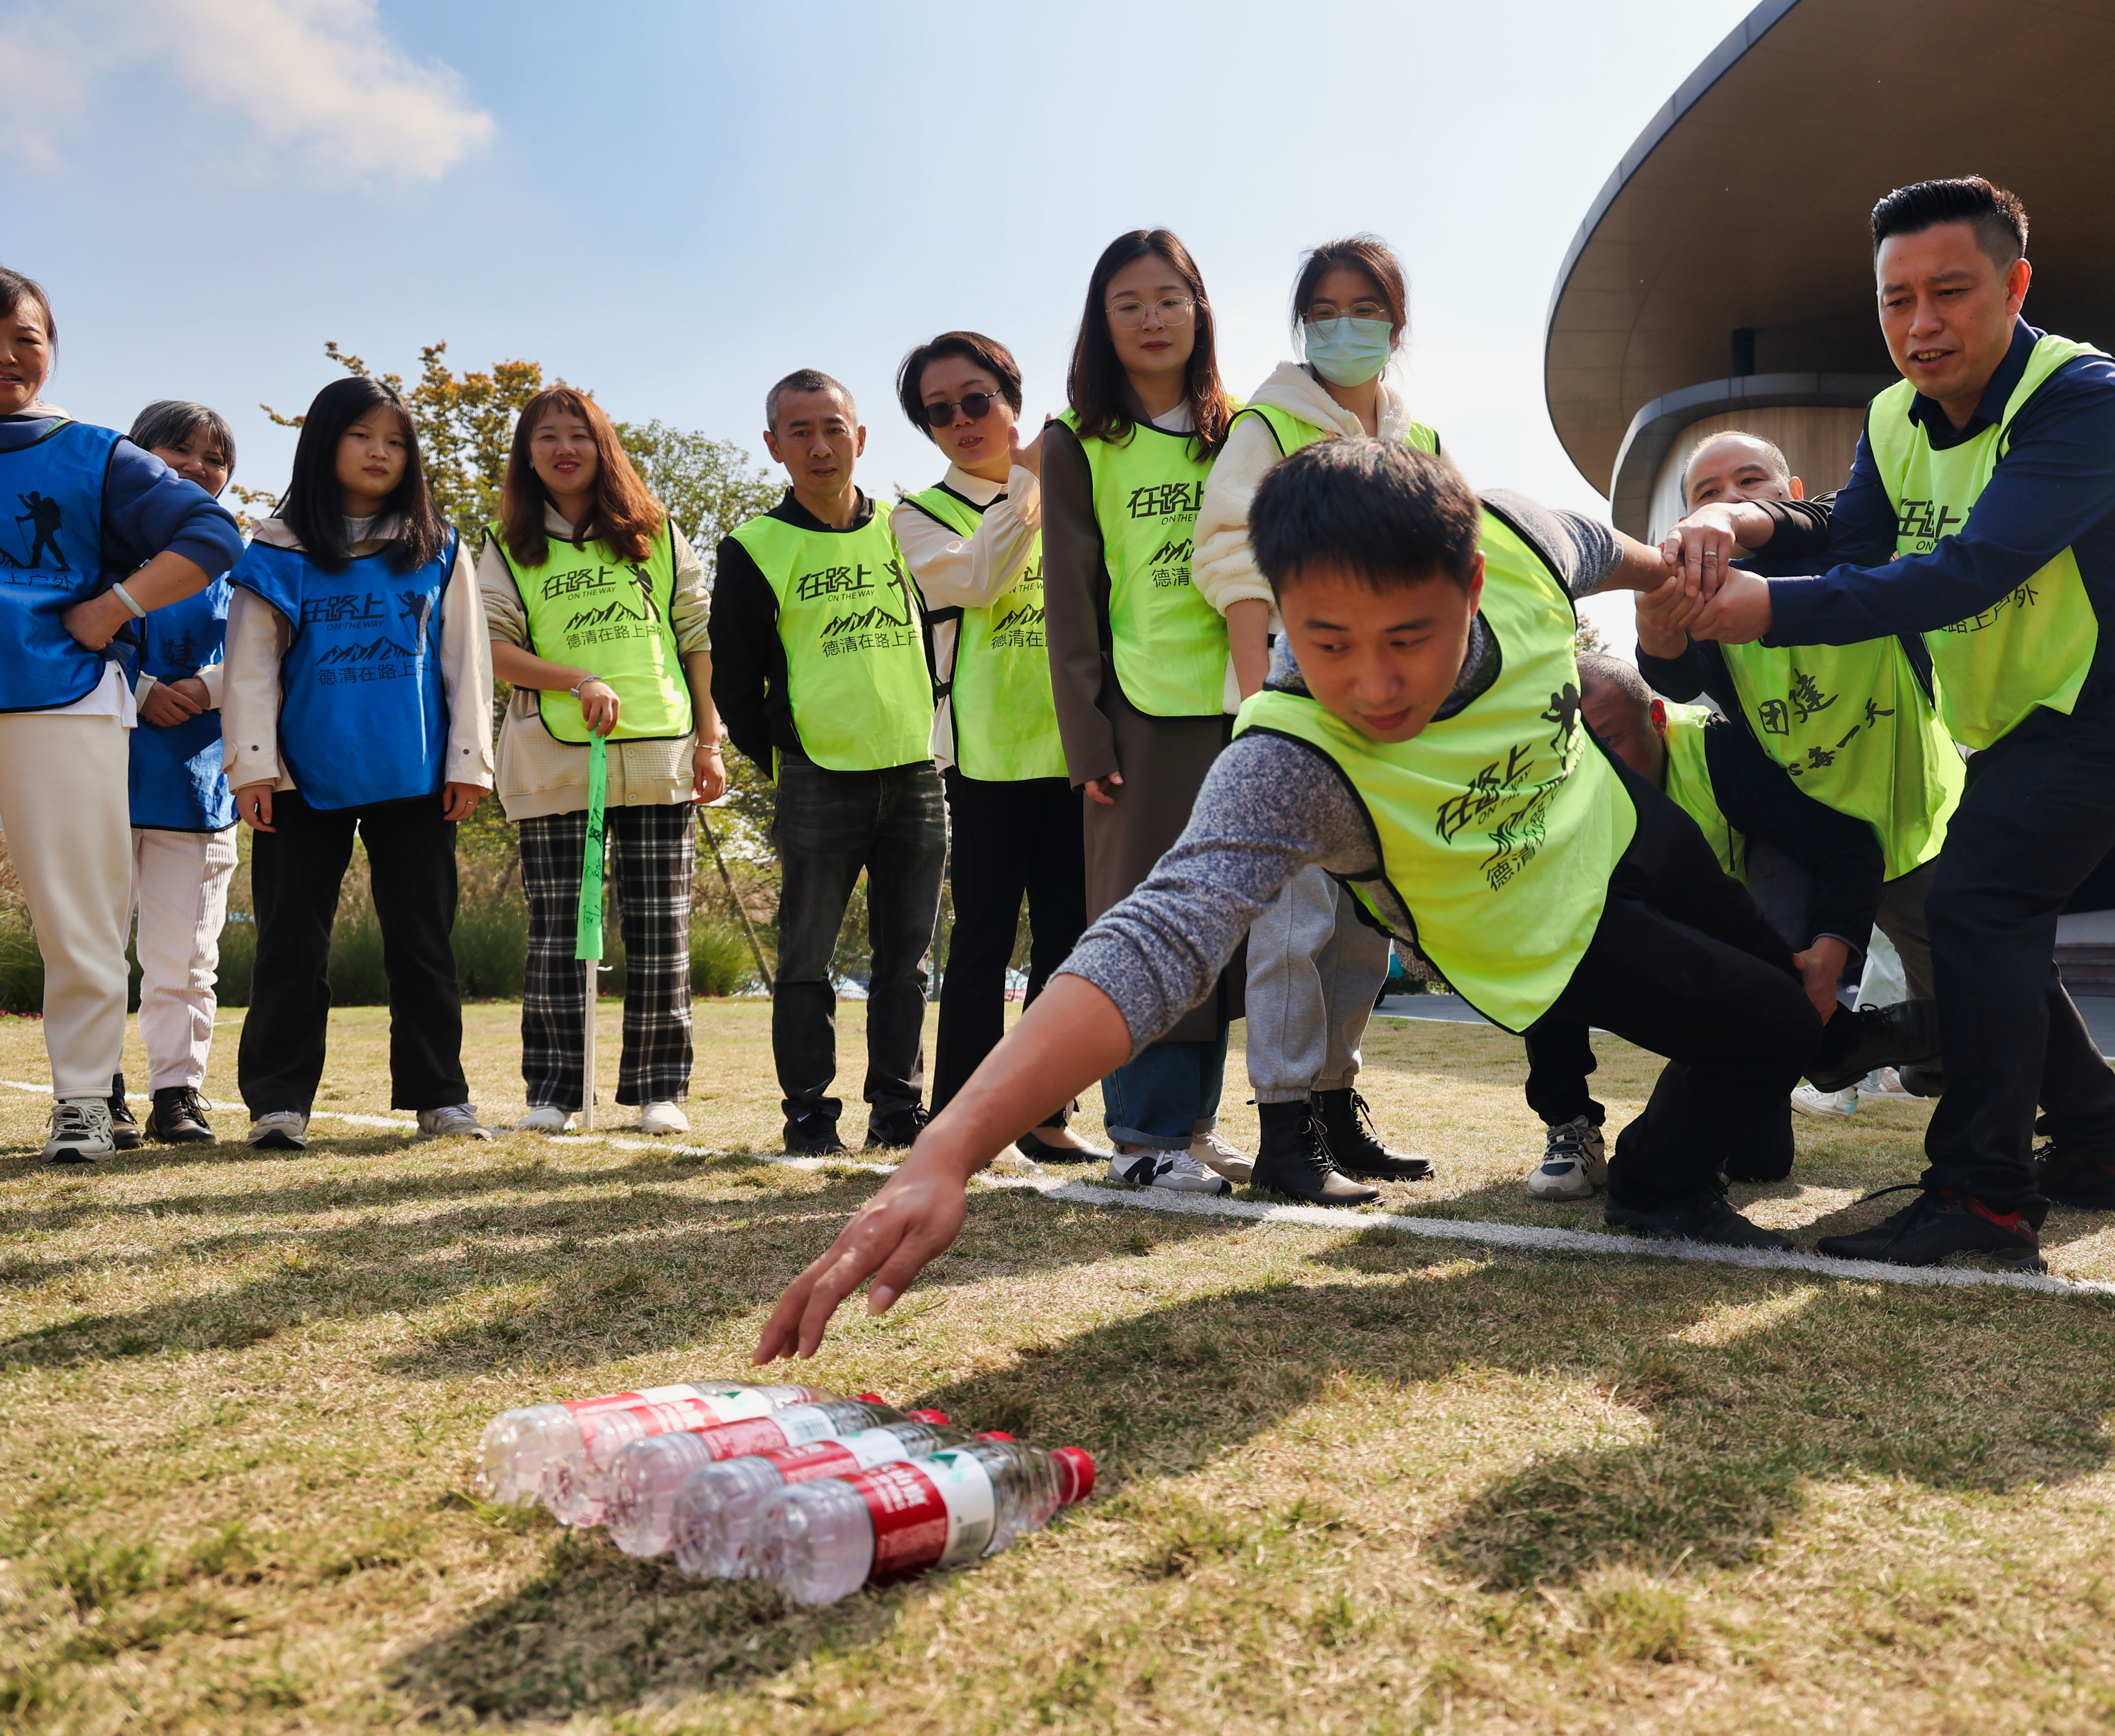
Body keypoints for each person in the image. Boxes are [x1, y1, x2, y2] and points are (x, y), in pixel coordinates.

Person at [752, 441, 1936, 1358]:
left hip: (1620, 824)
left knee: (1790, 993)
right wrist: (952, 1145)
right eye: (1326, 644)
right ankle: (1657, 1186)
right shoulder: (1288, 761)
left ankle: (1821, 1053)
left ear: (1473, 582)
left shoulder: (1522, 537)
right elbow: (1155, 937)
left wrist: (1683, 576)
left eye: (1407, 639)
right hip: (1537, 926)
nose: (1371, 683)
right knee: (1776, 1030)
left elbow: (1617, 553)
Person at [1665, 177, 2115, 1271]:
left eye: (1949, 292)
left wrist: (1760, 605)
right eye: (1893, 299)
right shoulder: (1889, 418)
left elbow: (1963, 572)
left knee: (1969, 909)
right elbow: (1850, 530)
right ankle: (2099, 1153)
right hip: (2011, 731)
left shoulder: (2084, 400)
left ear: (2012, 285)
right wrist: (1745, 519)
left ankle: (1983, 1201)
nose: (1919, 324)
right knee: (1990, 928)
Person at [1192, 235, 1436, 1204]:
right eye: (1326, 310)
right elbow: (1229, 554)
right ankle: (1286, 1137)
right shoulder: (1271, 424)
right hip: (1297, 697)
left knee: (1362, 923)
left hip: (1388, 711)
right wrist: (1267, 701)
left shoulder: (1416, 438)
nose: (1346, 326)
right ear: (1303, 324)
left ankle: (1338, 1113)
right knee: (1290, 919)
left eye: (1364, 308)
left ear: (1396, 323)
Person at [1636, 428, 1961, 1111]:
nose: (1729, 501)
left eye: (1749, 482)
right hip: (1804, 836)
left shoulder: (1853, 542)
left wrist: (1734, 522)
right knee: (1768, 985)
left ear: (1792, 496)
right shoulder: (1705, 601)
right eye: (1707, 493)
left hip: (1914, 828)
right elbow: (1673, 672)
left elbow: (1823, 528)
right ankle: (1749, 1124)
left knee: (1968, 1009)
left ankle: (1936, 1072)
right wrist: (1655, 631)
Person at [0, 269, 241, 1163]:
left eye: (25, 336)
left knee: (81, 915)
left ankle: (81, 1104)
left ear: (52, 345)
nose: (7, 355)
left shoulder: (94, 451)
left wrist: (111, 610)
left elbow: (213, 536)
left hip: (59, 701)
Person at [225, 375, 496, 1150]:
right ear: (324, 445)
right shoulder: (278, 549)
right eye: (361, 436)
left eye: (396, 440)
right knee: (290, 943)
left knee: (423, 940)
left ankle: (440, 1096)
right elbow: (249, 666)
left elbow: (464, 661)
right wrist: (252, 765)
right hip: (301, 780)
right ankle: (278, 1103)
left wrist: (467, 762)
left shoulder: (437, 546)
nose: (380, 452)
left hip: (416, 778)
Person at [1042, 229, 1251, 1195]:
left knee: (1227, 923)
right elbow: (1069, 598)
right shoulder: (1075, 439)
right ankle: (1141, 1136)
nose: (1153, 318)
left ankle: (1191, 1126)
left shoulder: (1244, 430)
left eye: (1170, 298)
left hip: (1245, 700)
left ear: (1200, 310)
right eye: (1129, 303)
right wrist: (1089, 735)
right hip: (1141, 712)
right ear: (1101, 322)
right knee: (1147, 919)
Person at [1524, 652, 1886, 1199]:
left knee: (1760, 1162)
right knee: (1549, 926)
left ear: (1659, 719)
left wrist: (1830, 951)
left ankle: (1791, 1056)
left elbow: (1843, 844)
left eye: (1614, 741)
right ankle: (1571, 1123)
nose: (1601, 771)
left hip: (1733, 945)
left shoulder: (1719, 752)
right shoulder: (1550, 794)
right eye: (1580, 753)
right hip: (1638, 948)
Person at [711, 369, 946, 1157]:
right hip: (818, 777)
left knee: (907, 963)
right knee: (806, 960)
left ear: (862, 437)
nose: (820, 446)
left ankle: (897, 1112)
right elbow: (735, 684)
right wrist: (793, 753)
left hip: (917, 772)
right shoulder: (753, 546)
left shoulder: (908, 531)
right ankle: (810, 1119)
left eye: (834, 427)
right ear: (775, 445)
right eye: (801, 431)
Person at [481, 389, 727, 1137]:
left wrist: (712, 742)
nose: (564, 449)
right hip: (553, 758)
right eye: (546, 437)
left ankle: (660, 1090)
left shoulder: (657, 530)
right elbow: (491, 648)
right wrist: (577, 680)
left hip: (660, 754)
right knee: (559, 930)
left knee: (663, 929)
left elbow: (695, 635)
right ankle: (553, 1093)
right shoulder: (503, 541)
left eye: (578, 436)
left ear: (603, 446)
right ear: (527, 455)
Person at [889, 331, 1103, 1167]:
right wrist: (1031, 481)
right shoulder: (917, 515)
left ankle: (1047, 1116)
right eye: (939, 411)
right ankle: (962, 1123)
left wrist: (1049, 478)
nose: (962, 419)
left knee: (1067, 944)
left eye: (977, 399)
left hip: (1079, 752)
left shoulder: (1074, 486)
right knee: (981, 943)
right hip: (983, 760)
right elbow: (977, 580)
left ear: (1011, 398)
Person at [116, 400, 244, 1147]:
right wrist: (140, 691)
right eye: (178, 451)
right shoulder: (94, 543)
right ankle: (96, 1092)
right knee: (94, 947)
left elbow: (264, 652)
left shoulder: (239, 559)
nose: (197, 467)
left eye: (214, 458)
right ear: (137, 456)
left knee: (186, 956)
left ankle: (178, 1094)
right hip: (97, 776)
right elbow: (63, 629)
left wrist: (205, 688)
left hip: (197, 786)